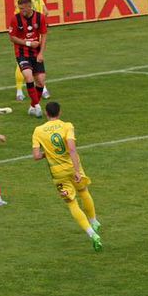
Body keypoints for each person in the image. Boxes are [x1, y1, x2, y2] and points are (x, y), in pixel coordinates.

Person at [31, 101, 102, 252]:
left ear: (46, 113)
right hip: (73, 167)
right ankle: (94, 221)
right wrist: (77, 171)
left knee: (71, 203)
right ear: (60, 112)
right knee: (83, 191)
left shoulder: (38, 130)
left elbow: (36, 156)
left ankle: (92, 234)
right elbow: (72, 148)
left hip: (58, 173)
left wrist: (47, 154)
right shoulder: (67, 126)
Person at [9, 0, 49, 102]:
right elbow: (46, 11)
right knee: (37, 62)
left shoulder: (21, 0)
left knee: (22, 63)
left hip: (26, 35)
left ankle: (19, 91)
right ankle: (44, 89)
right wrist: (39, 23)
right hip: (38, 34)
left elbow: (18, 18)